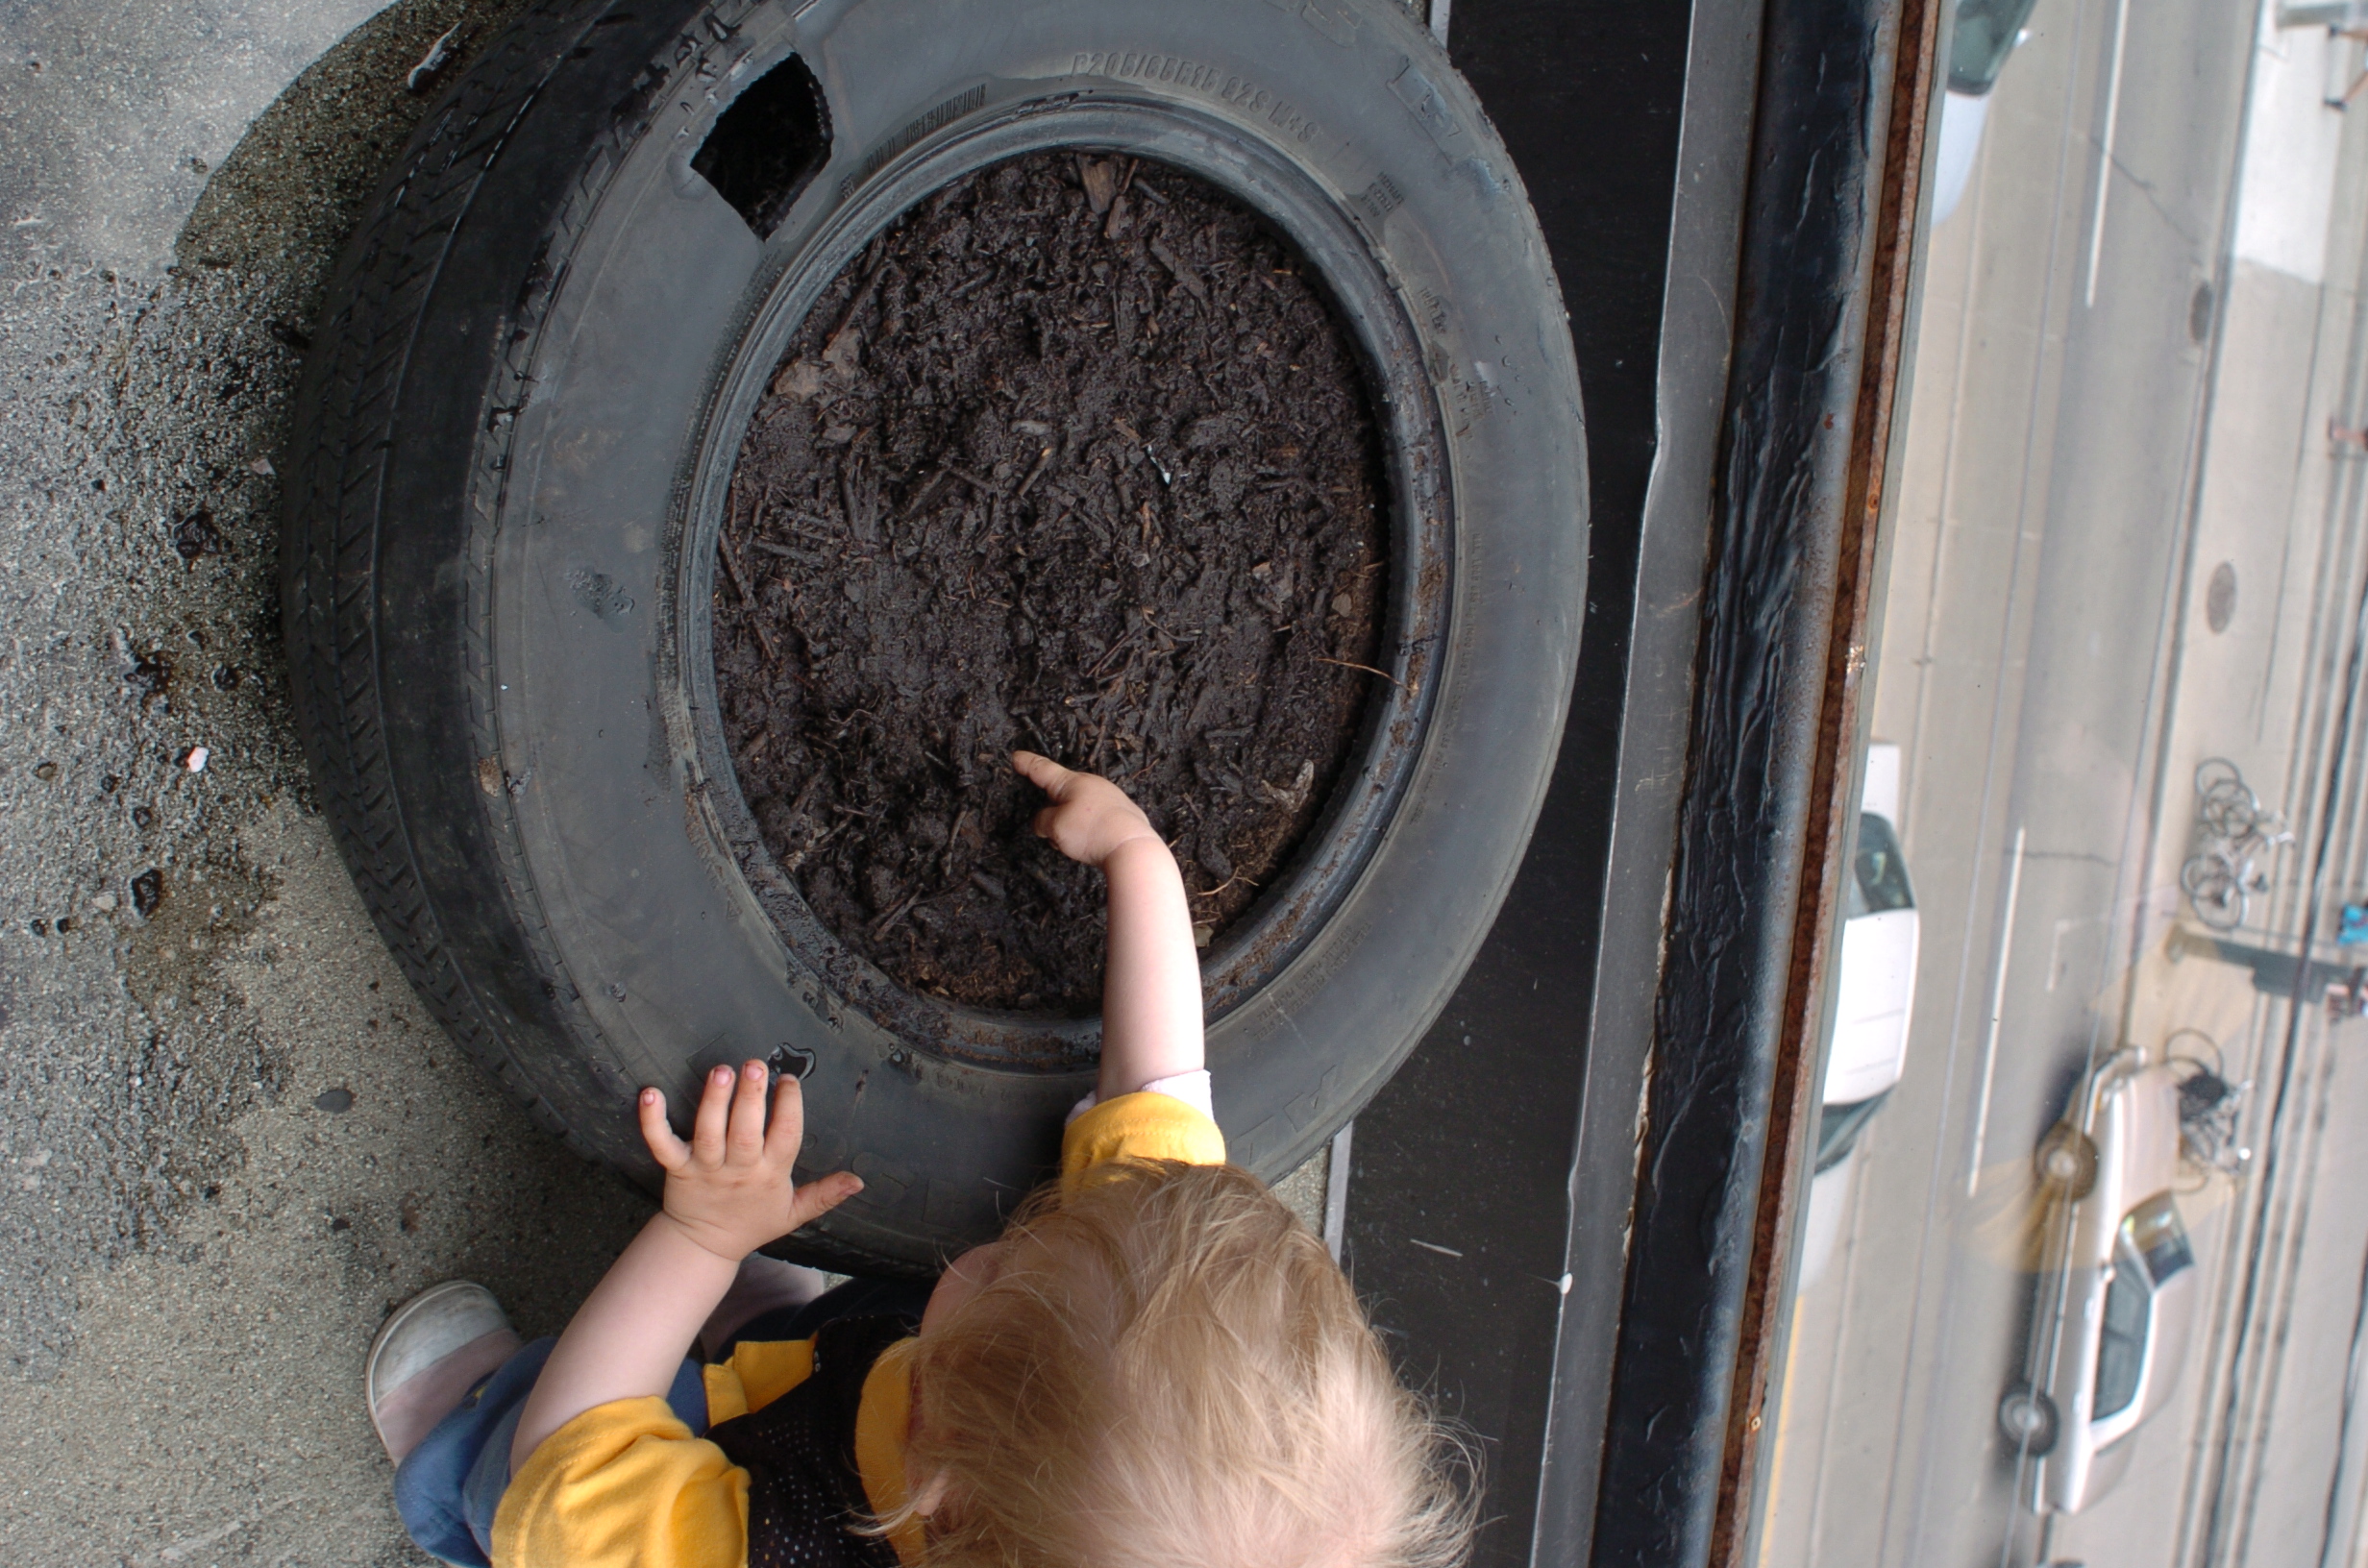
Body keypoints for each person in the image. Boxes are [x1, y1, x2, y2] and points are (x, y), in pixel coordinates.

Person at [367, 752, 1473, 1568]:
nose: (1007, 1237)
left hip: (626, 1498)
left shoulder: (749, 1549)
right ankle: (765, 1340)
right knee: (878, 1320)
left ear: (932, 1479)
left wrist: (699, 1240)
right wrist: (1140, 863)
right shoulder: (1097, 1381)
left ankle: (449, 1448)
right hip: (865, 1396)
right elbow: (1156, 1099)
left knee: (511, 1486)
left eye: (1008, 1262)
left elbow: (568, 1460)